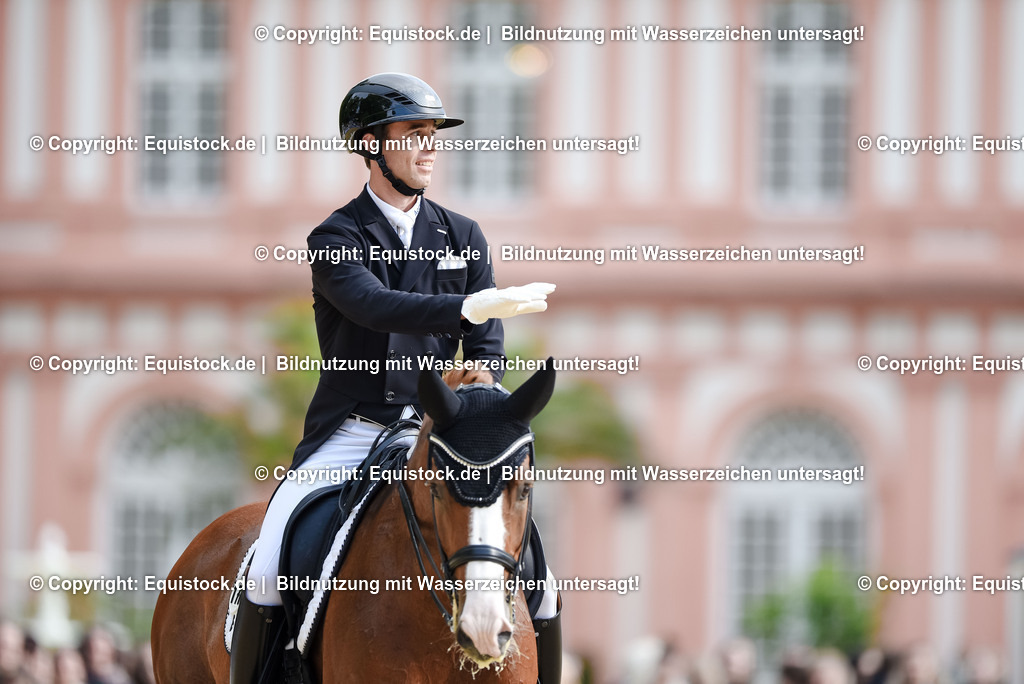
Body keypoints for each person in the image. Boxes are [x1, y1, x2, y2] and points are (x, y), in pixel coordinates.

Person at [231, 72, 561, 683]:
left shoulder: (462, 234)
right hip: (355, 430)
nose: (430, 146)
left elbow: (486, 339)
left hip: (441, 432)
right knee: (269, 557)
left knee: (538, 572)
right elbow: (374, 305)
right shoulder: (336, 236)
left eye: (433, 133)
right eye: (415, 133)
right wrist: (465, 309)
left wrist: (482, 369)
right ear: (370, 144)